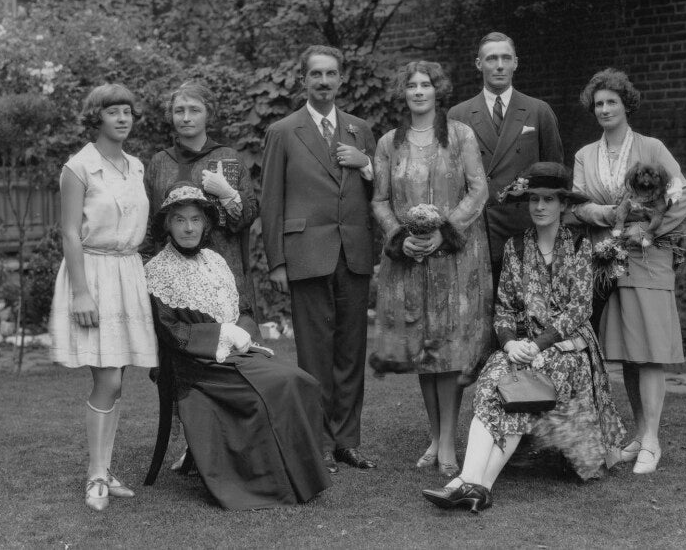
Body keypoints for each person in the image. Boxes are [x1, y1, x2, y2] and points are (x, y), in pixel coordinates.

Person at [422, 163, 625, 512]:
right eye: (534, 199)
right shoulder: (515, 247)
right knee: (492, 384)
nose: (540, 206)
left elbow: (580, 308)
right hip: (521, 345)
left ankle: (469, 483)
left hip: (569, 349)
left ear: (563, 204)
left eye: (549, 199)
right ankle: (476, 486)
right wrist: (510, 342)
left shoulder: (579, 244)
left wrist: (538, 344)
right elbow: (503, 308)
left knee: (524, 389)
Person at [145, 183, 331, 509]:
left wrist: (241, 332)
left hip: (233, 355)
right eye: (179, 220)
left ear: (205, 224)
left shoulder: (214, 260)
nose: (188, 227)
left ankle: (299, 474)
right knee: (280, 385)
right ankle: (269, 483)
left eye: (195, 219)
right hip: (198, 367)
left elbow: (241, 308)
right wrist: (219, 335)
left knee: (302, 381)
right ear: (167, 225)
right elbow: (169, 331)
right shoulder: (158, 270)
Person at [368, 61, 490, 476]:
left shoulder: (460, 135)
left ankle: (449, 442)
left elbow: (479, 189)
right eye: (412, 86)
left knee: (451, 350)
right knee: (423, 349)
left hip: (455, 260)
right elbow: (380, 200)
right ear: (404, 93)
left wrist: (446, 231)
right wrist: (401, 237)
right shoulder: (389, 143)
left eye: (426, 85)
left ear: (438, 91)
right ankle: (435, 437)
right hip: (411, 261)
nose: (419, 92)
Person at [260, 45, 377, 474]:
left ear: (341, 79)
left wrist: (368, 164)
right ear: (304, 81)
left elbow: (378, 192)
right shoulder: (284, 131)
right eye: (316, 75)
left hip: (354, 253)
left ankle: (347, 440)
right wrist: (277, 262)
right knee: (314, 354)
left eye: (331, 74)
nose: (324, 82)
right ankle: (320, 442)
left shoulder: (361, 130)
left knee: (351, 351)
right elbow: (270, 199)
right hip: (306, 254)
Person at [572, 68, 686, 474]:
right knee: (626, 352)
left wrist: (650, 226)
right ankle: (640, 435)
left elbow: (682, 193)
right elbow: (577, 204)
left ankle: (654, 442)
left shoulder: (651, 147)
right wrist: (609, 214)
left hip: (650, 258)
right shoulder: (585, 155)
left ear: (626, 105)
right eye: (599, 103)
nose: (605, 109)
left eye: (612, 102)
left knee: (651, 352)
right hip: (609, 261)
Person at [48, 83, 158, 512]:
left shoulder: (136, 166)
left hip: (127, 271)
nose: (123, 118)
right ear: (97, 118)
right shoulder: (78, 167)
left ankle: (104, 469)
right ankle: (95, 474)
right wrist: (80, 292)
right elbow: (70, 233)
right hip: (92, 273)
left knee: (117, 378)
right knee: (107, 378)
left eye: (128, 111)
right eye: (113, 112)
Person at [448, 32, 564, 285]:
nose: (499, 65)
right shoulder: (459, 115)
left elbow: (555, 175)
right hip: (480, 228)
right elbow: (451, 181)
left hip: (527, 226)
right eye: (491, 59)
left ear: (516, 63)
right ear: (479, 64)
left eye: (505, 58)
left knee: (529, 308)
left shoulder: (538, 110)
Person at [143, 81, 259, 329]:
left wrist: (227, 193)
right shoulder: (160, 163)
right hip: (173, 278)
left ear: (209, 114)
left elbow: (247, 215)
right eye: (179, 111)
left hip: (223, 272)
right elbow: (150, 223)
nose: (186, 118)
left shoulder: (227, 158)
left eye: (194, 110)